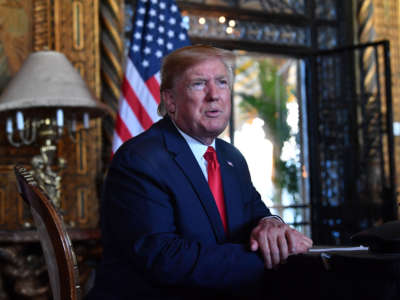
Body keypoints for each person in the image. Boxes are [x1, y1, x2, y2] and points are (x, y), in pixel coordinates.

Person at [89, 45, 313, 300]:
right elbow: (166, 259)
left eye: (222, 82)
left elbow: (257, 215)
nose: (214, 95)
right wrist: (272, 258)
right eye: (198, 84)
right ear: (171, 101)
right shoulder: (139, 160)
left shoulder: (232, 158)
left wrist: (271, 225)